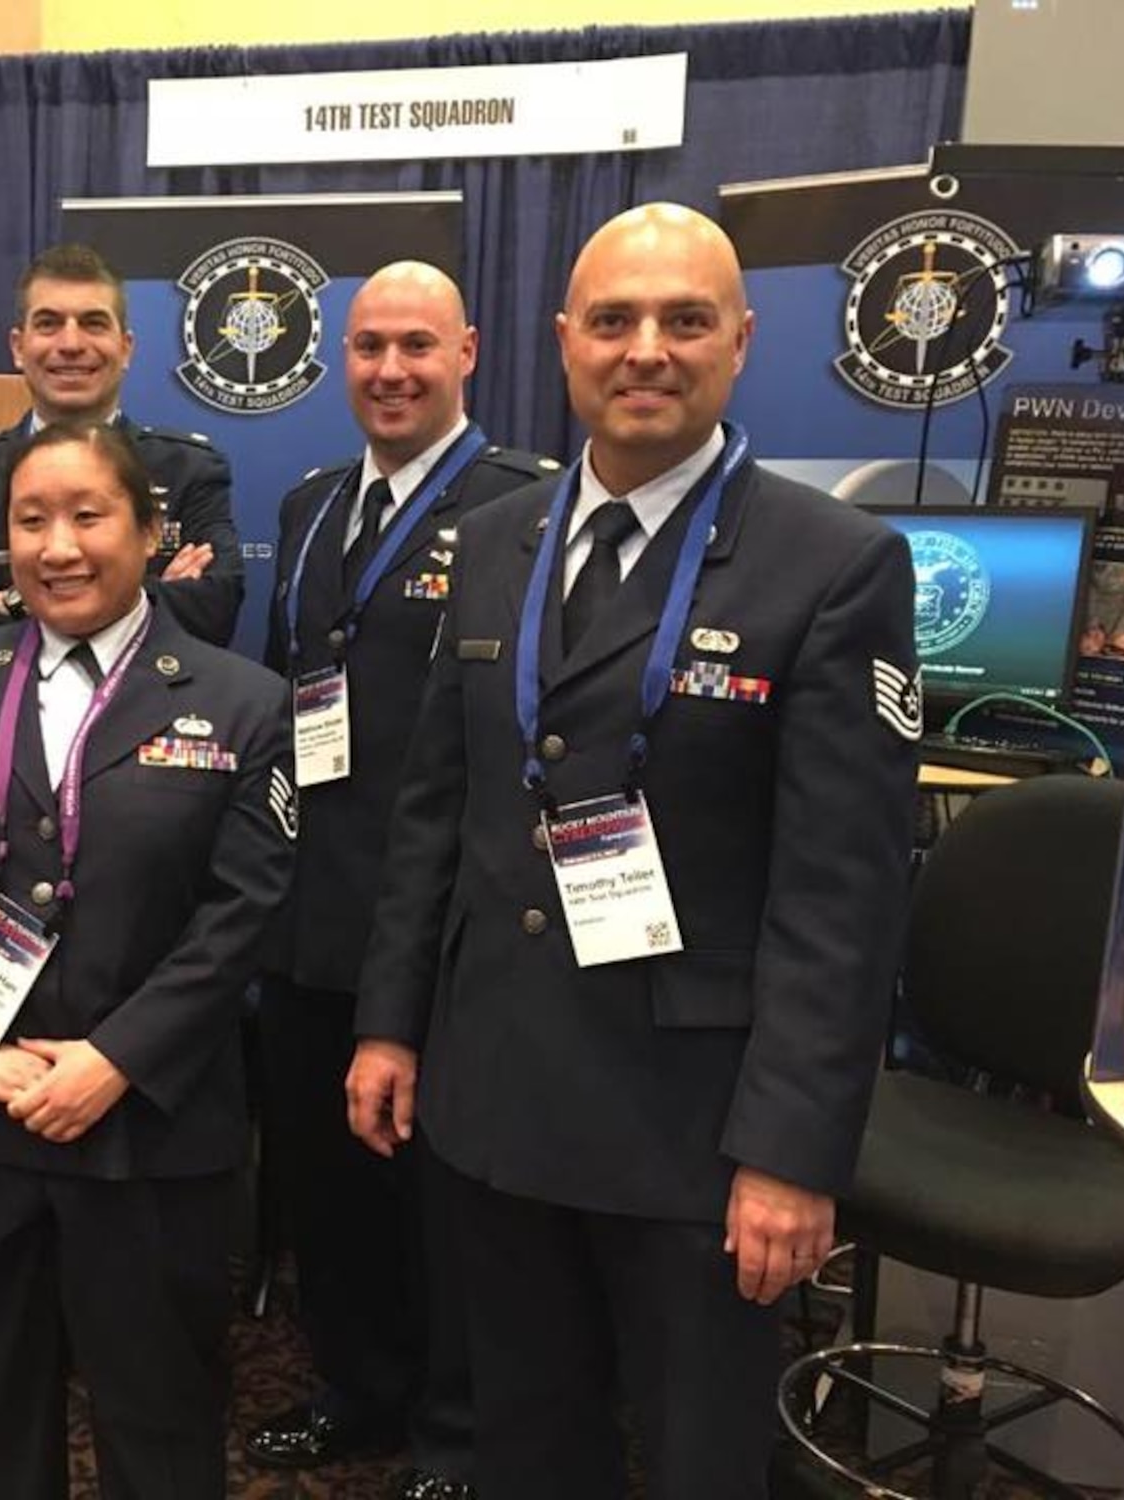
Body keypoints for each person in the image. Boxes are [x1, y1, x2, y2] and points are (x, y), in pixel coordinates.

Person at [345, 204, 921, 1500]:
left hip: (698, 1127)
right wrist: (390, 1026)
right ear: (563, 342)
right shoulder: (494, 543)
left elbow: (844, 894)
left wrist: (793, 1150)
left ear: (741, 342)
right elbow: (438, 806)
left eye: (684, 320)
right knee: (528, 1444)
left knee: (695, 1461)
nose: (645, 349)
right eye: (614, 320)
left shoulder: (831, 565)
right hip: (497, 1092)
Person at [0, 422, 296, 1499]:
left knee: (159, 1414)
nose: (57, 546)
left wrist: (115, 1058)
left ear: (151, 533)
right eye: (30, 520)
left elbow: (240, 912)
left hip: (145, 1126)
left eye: (88, 515)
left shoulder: (239, 701)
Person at [248, 262, 556, 1500]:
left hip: (438, 921)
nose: (389, 370)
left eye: (416, 346)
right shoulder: (318, 502)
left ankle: (454, 1432)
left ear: (468, 352)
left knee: (443, 1198)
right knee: (326, 1183)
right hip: (308, 905)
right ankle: (354, 1387)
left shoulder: (520, 507)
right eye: (368, 346)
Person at [0, 243, 243, 648]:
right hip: (7, 707)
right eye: (49, 323)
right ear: (18, 348)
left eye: (93, 323)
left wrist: (12, 603)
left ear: (125, 348)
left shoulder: (190, 470)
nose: (70, 343)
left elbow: (212, 611)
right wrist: (144, 591)